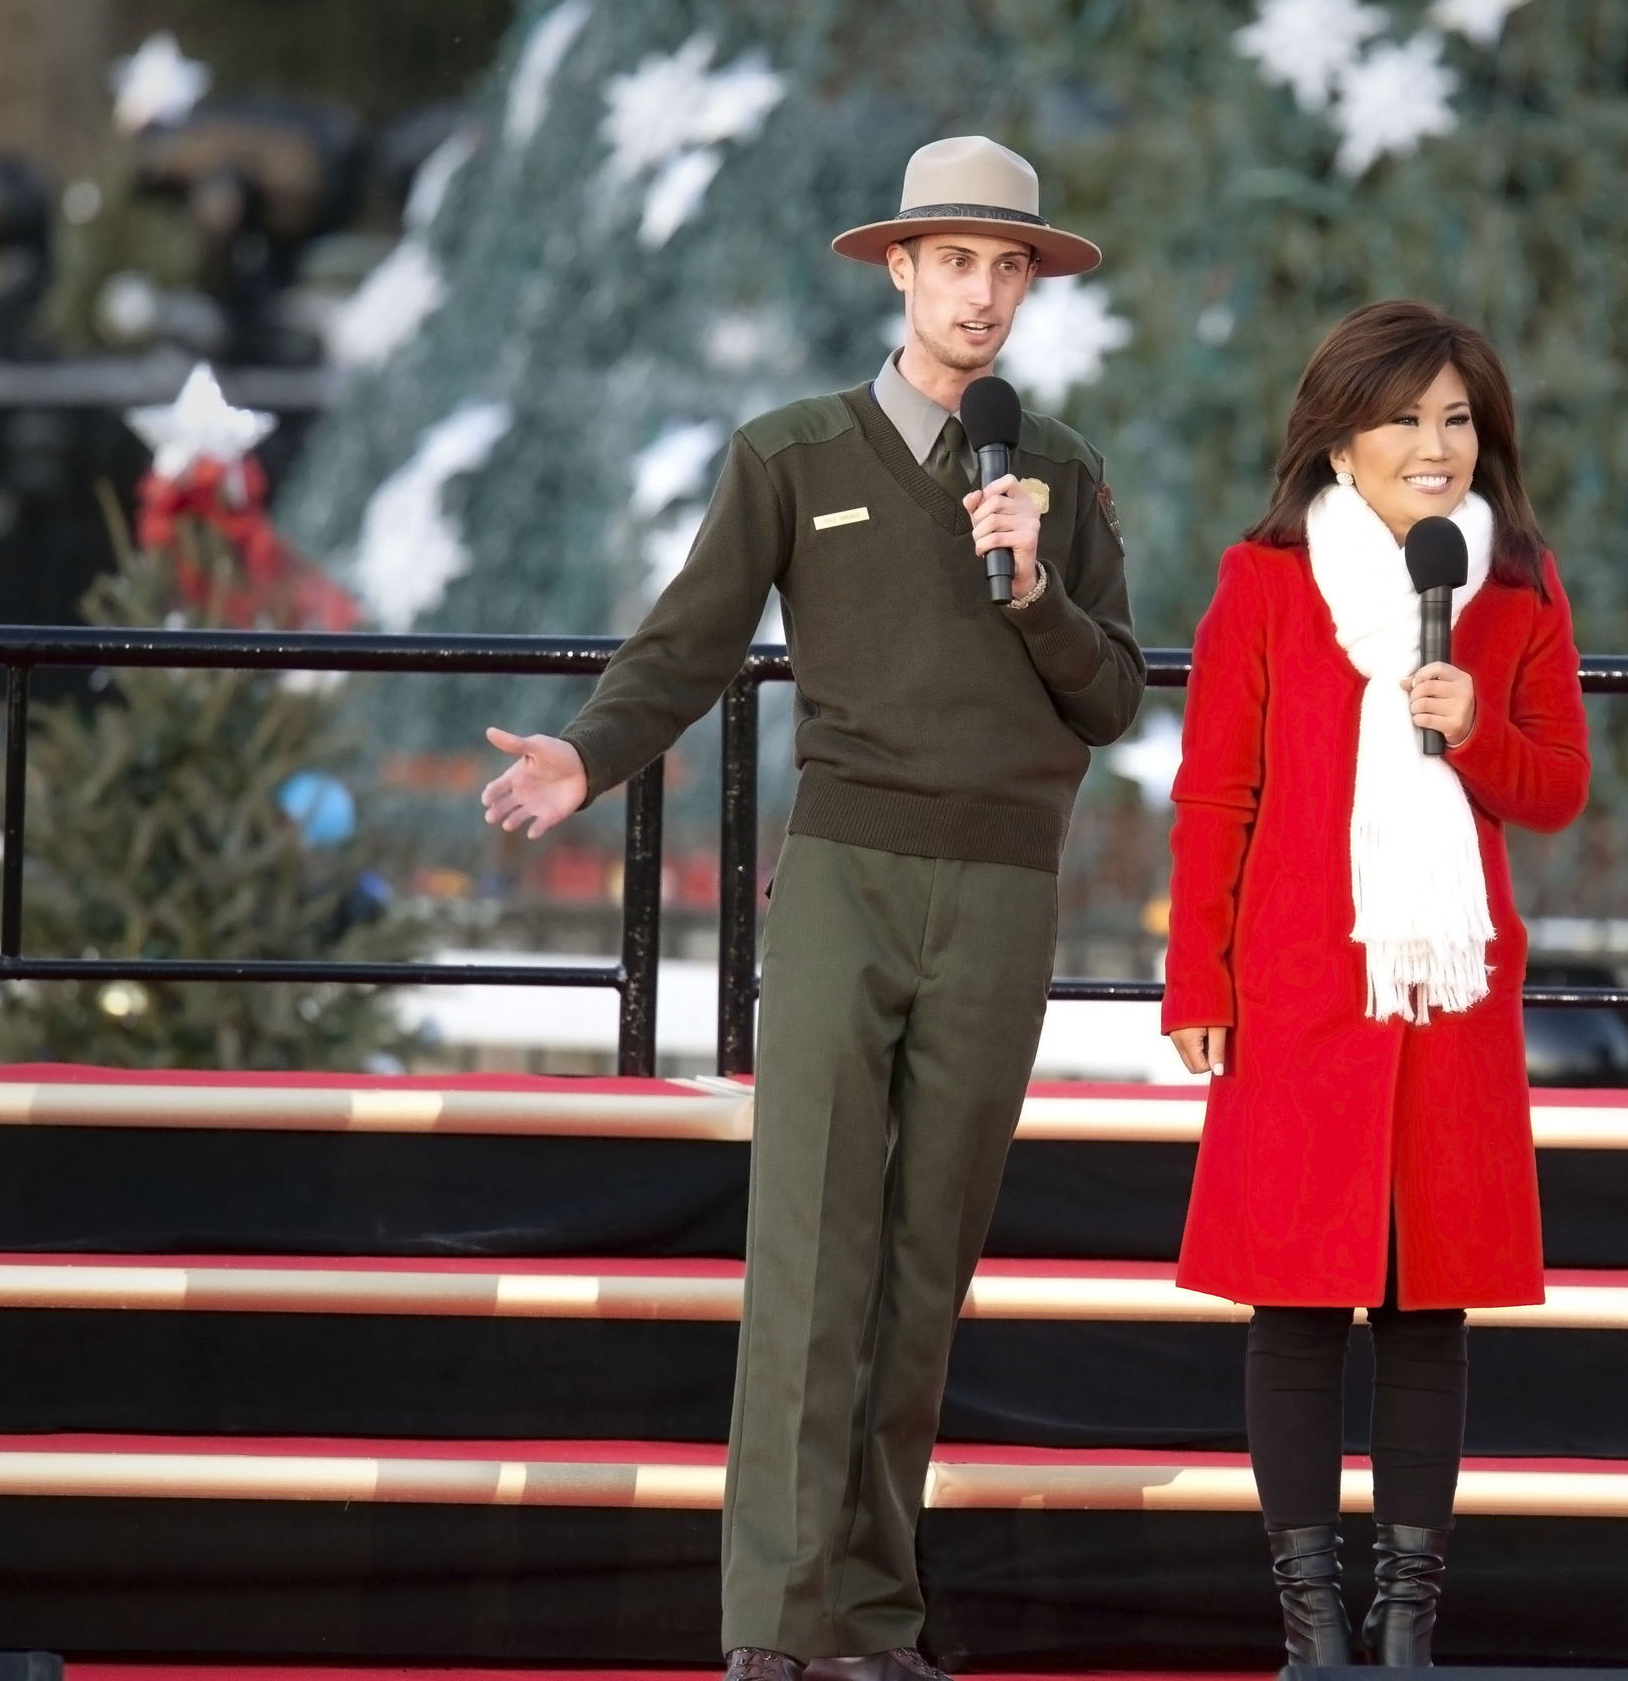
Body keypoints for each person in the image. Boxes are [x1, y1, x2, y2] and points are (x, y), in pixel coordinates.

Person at [478, 136, 1143, 1681]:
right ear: (897, 269)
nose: (982, 292)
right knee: (810, 1266)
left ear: (1030, 286)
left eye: (1009, 266)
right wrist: (585, 755)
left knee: (925, 1276)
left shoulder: (1063, 470)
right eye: (955, 260)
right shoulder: (790, 453)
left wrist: (1034, 584)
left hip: (1004, 896)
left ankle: (872, 1624)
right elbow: (687, 643)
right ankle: (773, 1637)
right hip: (845, 878)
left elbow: (1111, 697)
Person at [1160, 299, 1589, 1667]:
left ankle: (1407, 1629)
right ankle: (1313, 1632)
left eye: (1457, 417)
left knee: (1427, 1311)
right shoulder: (1264, 582)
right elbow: (1214, 796)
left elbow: (1560, 788)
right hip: (1299, 992)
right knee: (1292, 1311)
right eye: (1405, 415)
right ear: (1340, 433)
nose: (1435, 443)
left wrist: (1472, 732)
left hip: (1449, 1001)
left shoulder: (1518, 585)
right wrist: (1195, 984)